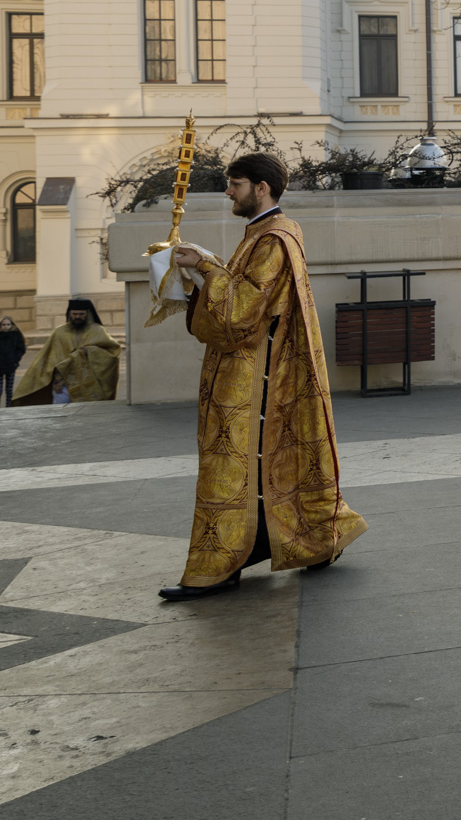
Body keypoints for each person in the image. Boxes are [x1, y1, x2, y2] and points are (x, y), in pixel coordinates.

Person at [159, 152, 367, 600]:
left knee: (240, 462)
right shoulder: (264, 233)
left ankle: (223, 563)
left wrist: (204, 266)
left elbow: (242, 310)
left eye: (235, 184)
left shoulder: (273, 238)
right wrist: (206, 269)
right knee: (265, 464)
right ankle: (306, 543)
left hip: (261, 376)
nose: (229, 193)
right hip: (264, 368)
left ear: (261, 188)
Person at [12, 300, 121, 405]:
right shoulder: (60, 332)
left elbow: (113, 351)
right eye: (74, 314)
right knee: (60, 414)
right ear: (69, 313)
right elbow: (49, 360)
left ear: (87, 313)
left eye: (81, 314)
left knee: (89, 416)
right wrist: (58, 381)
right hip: (63, 385)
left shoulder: (97, 330)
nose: (77, 317)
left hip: (90, 385)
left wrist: (91, 351)